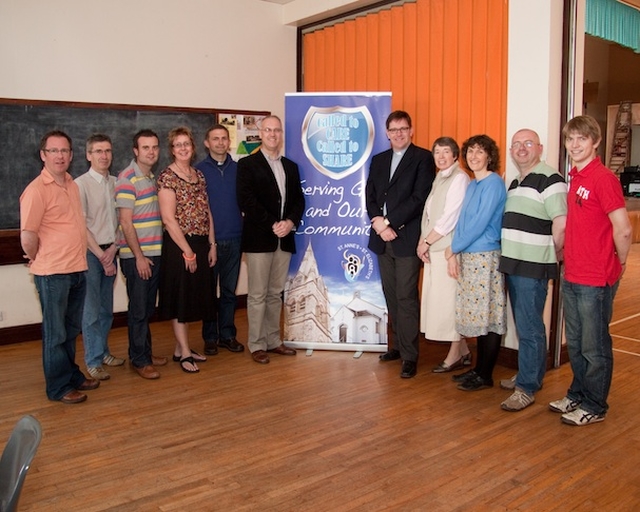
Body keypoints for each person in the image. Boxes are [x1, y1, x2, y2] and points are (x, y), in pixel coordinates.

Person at [549, 115, 631, 426]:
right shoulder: (576, 177)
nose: (575, 145)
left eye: (582, 139)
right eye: (570, 139)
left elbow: (623, 230)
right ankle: (578, 394)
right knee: (579, 343)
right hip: (573, 274)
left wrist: (619, 262)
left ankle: (595, 405)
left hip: (596, 279)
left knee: (595, 347)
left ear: (595, 142)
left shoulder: (603, 178)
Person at [20, 130, 100, 403]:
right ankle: (58, 388)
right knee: (55, 334)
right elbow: (28, 236)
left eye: (64, 150)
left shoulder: (71, 184)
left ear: (71, 155)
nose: (60, 156)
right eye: (53, 151)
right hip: (52, 272)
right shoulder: (36, 190)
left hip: (77, 268)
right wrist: (37, 257)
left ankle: (72, 376)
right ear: (43, 155)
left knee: (70, 330)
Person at [498, 129, 567, 411]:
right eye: (516, 144)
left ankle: (526, 388)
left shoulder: (551, 179)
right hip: (514, 263)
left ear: (539, 148)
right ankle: (530, 374)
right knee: (525, 324)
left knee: (530, 328)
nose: (521, 149)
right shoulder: (515, 181)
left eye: (527, 144)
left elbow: (561, 224)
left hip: (533, 266)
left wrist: (557, 255)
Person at [366, 110, 435, 379]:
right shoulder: (379, 159)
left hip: (406, 238)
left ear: (411, 130)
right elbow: (370, 194)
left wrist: (390, 223)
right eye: (393, 130)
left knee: (406, 297)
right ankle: (396, 346)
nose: (398, 134)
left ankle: (409, 355)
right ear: (387, 133)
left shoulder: (423, 158)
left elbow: (419, 198)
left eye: (403, 129)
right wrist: (377, 223)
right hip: (382, 238)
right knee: (391, 294)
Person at [236, 115, 305, 364]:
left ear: (281, 134)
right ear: (260, 133)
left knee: (275, 293)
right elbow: (247, 201)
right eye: (268, 130)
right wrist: (273, 224)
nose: (273, 134)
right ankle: (256, 344)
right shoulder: (246, 165)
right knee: (257, 295)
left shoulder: (291, 166)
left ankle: (273, 341)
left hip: (284, 239)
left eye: (277, 130)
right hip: (259, 239)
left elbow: (299, 200)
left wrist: (290, 223)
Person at [447, 134, 507, 391]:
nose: (473, 156)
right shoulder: (472, 184)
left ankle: (486, 374)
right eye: (470, 151)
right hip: (469, 256)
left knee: (489, 317)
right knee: (479, 317)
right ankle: (478, 369)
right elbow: (462, 222)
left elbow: (480, 223)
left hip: (486, 257)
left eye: (480, 151)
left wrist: (453, 249)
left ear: (489, 156)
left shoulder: (493, 183)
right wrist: (457, 251)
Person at [157, 126, 216, 373]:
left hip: (201, 243)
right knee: (180, 299)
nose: (183, 148)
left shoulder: (198, 175)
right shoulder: (167, 177)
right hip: (179, 245)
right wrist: (188, 252)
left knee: (192, 299)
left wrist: (211, 244)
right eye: (178, 145)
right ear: (172, 150)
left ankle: (182, 348)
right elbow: (169, 220)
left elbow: (207, 212)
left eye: (186, 144)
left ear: (193, 147)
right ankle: (183, 353)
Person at [116, 129, 168, 380]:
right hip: (137, 256)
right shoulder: (127, 179)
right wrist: (138, 257)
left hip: (154, 253)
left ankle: (144, 353)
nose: (151, 152)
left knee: (147, 309)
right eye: (145, 147)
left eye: (155, 147)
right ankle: (139, 360)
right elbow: (126, 223)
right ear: (135, 151)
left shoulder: (151, 177)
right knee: (138, 310)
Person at [416, 137, 471, 373]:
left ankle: (454, 355)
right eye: (437, 152)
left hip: (447, 251)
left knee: (449, 305)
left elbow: (450, 217)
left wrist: (426, 241)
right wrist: (423, 241)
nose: (440, 156)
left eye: (446, 152)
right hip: (435, 248)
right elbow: (429, 214)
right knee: (439, 302)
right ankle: (466, 350)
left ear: (456, 155)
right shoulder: (440, 178)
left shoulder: (459, 178)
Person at [75, 134, 124, 381]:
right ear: (88, 155)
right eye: (98, 151)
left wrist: (113, 249)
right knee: (91, 311)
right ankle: (92, 361)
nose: (103, 156)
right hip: (90, 255)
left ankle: (103, 352)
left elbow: (123, 221)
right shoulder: (79, 185)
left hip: (111, 250)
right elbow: (80, 226)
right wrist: (101, 255)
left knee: (106, 310)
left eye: (107, 151)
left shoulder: (117, 182)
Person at [196, 124, 245, 355]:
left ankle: (227, 335)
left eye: (224, 138)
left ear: (229, 142)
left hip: (235, 239)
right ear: (207, 143)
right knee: (207, 294)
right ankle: (209, 337)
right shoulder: (198, 171)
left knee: (228, 293)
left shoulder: (239, 169)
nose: (220, 143)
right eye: (215, 139)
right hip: (209, 243)